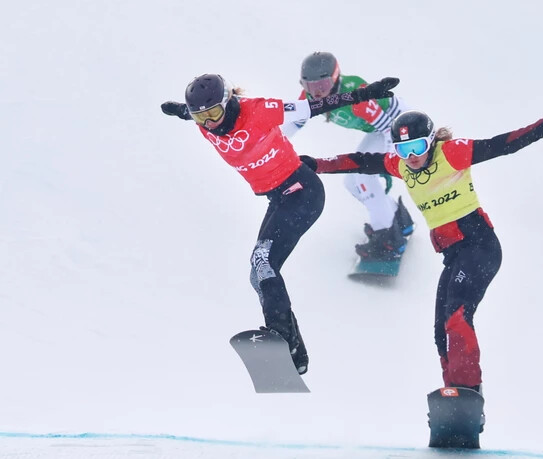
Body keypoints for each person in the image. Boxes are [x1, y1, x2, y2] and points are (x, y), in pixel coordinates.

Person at [300, 105, 543, 398]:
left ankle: (467, 388)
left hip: (480, 247)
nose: (411, 156)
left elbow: (503, 144)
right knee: (440, 332)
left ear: (432, 141)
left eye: (418, 147)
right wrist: (317, 164)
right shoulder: (401, 166)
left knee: (457, 318)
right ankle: (457, 399)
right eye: (403, 149)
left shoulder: (452, 153)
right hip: (455, 256)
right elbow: (359, 161)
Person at [160, 73, 399, 375]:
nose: (210, 124)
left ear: (228, 102)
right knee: (256, 273)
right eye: (201, 118)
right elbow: (191, 113)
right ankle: (296, 354)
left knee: (264, 261)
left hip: (302, 192)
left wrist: (365, 94)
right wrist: (181, 110)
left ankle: (281, 338)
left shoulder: (258, 109)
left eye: (214, 114)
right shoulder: (203, 122)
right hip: (279, 198)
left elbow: (316, 106)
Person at [281, 52, 414, 261]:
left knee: (364, 178)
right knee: (351, 182)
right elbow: (294, 122)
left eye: (322, 86)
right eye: (310, 87)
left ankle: (389, 239)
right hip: (379, 130)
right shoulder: (309, 98)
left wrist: (389, 162)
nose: (317, 94)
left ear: (335, 79)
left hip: (398, 127)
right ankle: (397, 218)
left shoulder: (355, 95)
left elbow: (390, 128)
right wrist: (269, 144)